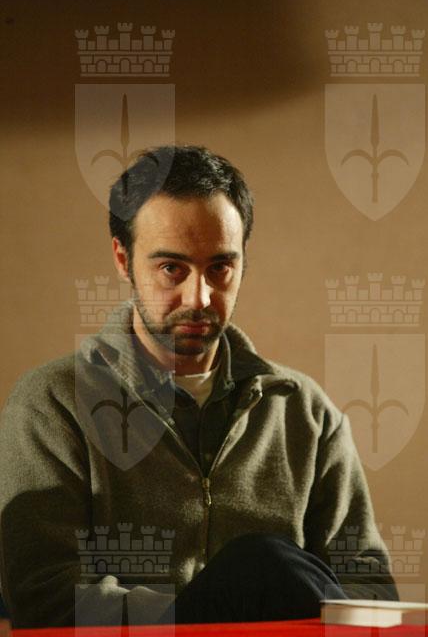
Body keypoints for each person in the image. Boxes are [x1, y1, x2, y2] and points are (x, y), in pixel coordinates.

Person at [0, 145, 397, 628]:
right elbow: (44, 600)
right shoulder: (52, 404)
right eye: (172, 268)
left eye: (220, 267)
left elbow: (373, 593)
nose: (200, 297)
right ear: (123, 259)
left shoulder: (306, 412)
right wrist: (207, 611)